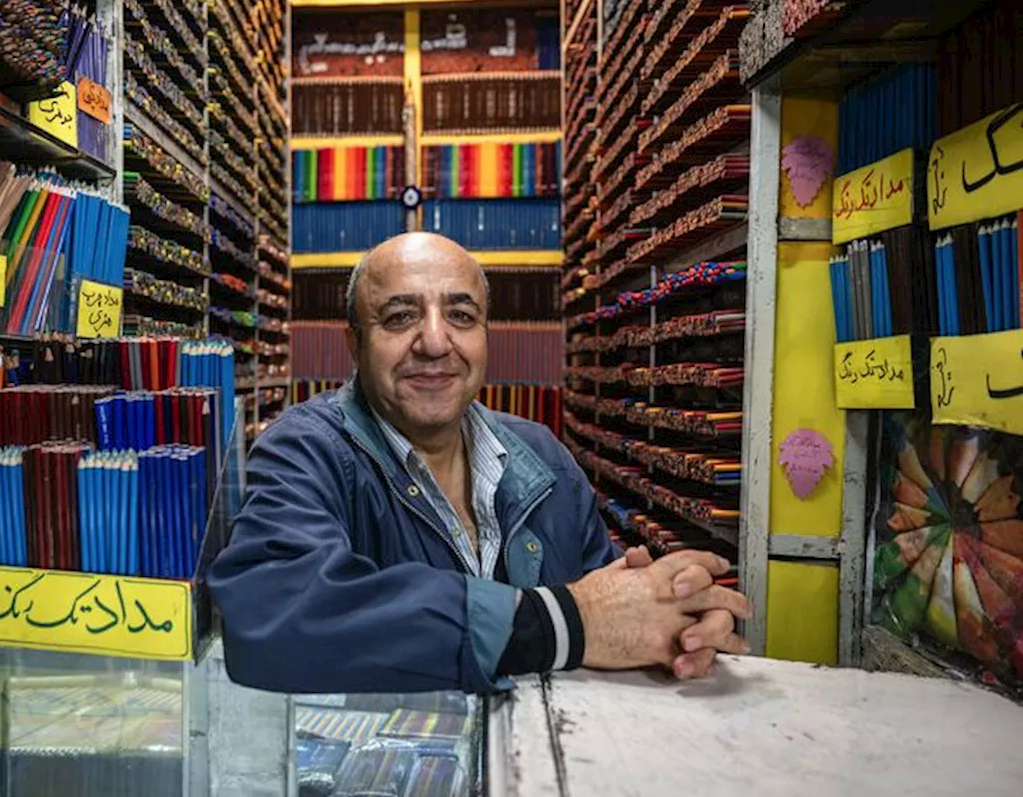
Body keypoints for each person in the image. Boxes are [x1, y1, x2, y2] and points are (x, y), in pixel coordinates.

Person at [208, 232, 751, 694]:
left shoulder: (543, 459)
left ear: (486, 335)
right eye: (400, 317)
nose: (436, 342)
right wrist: (561, 623)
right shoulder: (305, 450)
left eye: (461, 315)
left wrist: (676, 620)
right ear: (354, 344)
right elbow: (273, 619)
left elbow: (609, 603)